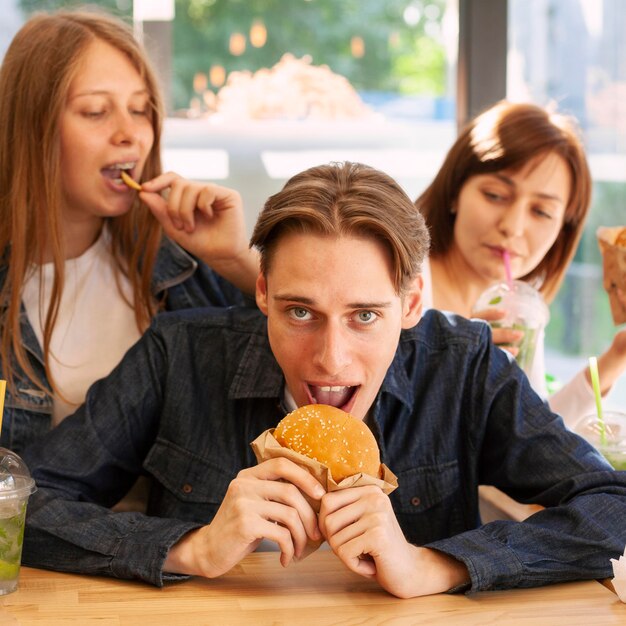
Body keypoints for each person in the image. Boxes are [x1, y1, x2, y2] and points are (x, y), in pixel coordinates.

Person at [22, 162, 626, 598]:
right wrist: (192, 548)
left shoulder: (463, 365)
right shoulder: (180, 352)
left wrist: (434, 566)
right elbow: (22, 503)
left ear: (411, 302)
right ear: (262, 292)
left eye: (365, 316)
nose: (332, 360)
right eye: (300, 312)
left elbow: (610, 507)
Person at [0, 10, 257, 453]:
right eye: (96, 111)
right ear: (31, 126)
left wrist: (236, 259)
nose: (130, 134)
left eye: (140, 110)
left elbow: (326, 350)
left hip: (190, 524)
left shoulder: (181, 264)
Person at [416, 100, 626, 428]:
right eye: (495, 195)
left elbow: (532, 433)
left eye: (541, 212)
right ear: (455, 191)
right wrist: (453, 362)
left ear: (562, 231)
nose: (512, 226)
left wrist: (617, 357)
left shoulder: (518, 310)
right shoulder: (401, 285)